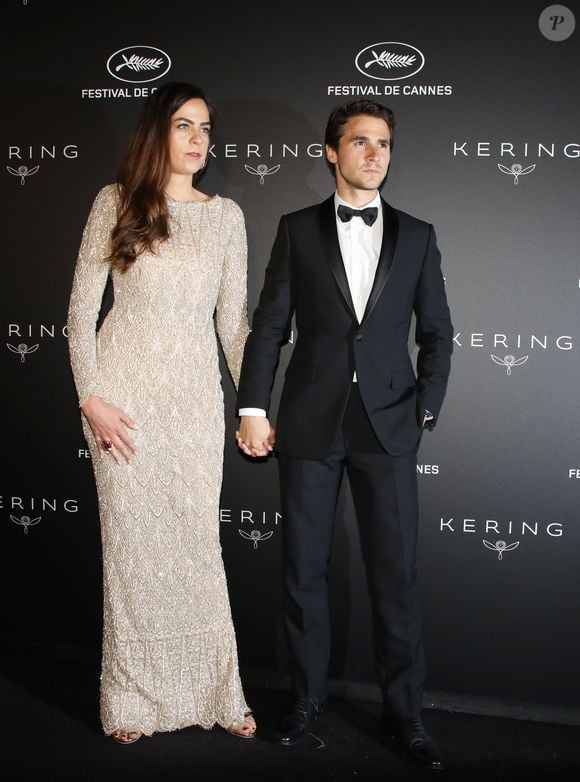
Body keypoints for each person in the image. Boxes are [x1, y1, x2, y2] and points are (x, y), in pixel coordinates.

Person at [236, 100, 452, 770]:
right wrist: (252, 408)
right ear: (332, 152)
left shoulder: (417, 234)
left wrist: (423, 412)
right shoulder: (297, 229)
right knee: (304, 572)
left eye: (383, 143)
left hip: (388, 429)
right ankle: (305, 702)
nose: (375, 154)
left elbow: (438, 335)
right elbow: (270, 325)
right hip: (308, 424)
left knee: (396, 579)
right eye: (360, 142)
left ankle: (406, 715)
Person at [67, 82, 256, 743]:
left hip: (196, 406)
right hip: (123, 406)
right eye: (183, 125)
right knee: (132, 553)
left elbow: (233, 324)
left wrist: (255, 402)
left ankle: (218, 691)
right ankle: (133, 701)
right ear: (158, 133)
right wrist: (91, 400)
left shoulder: (227, 216)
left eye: (205, 126)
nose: (199, 137)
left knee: (198, 549)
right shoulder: (115, 203)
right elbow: (79, 315)